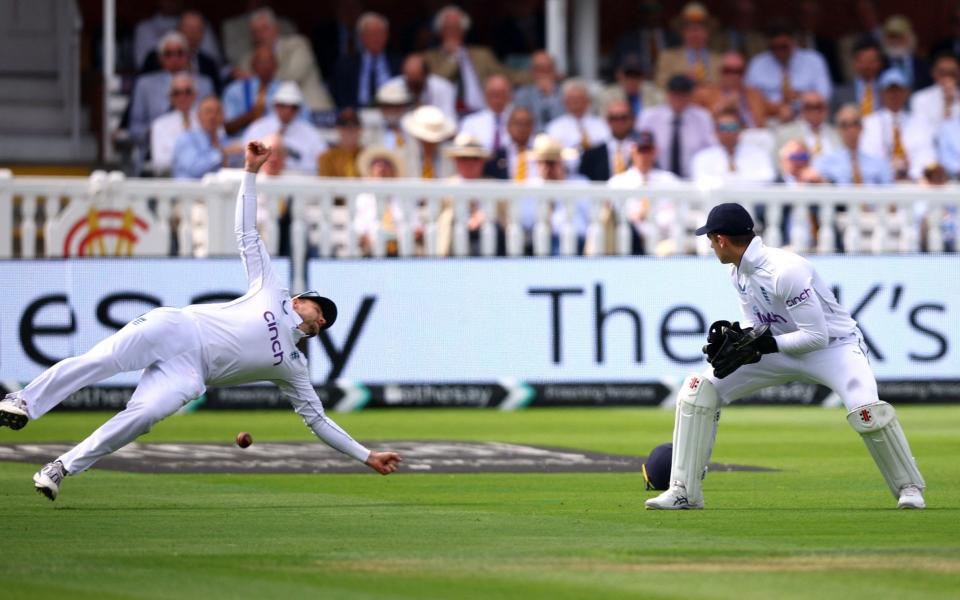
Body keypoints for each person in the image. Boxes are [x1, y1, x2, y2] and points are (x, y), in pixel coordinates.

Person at [0, 141, 403, 501]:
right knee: (99, 361)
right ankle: (24, 402)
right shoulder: (272, 289)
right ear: (301, 300)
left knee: (140, 418)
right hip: (176, 328)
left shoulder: (294, 367)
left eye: (326, 324)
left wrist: (366, 455)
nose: (322, 321)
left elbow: (318, 421)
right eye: (321, 310)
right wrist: (250, 172)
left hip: (191, 373)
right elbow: (247, 233)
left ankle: (60, 468)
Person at [644, 202, 926, 511]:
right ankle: (684, 491)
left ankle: (909, 488)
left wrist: (764, 346)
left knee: (866, 411)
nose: (711, 246)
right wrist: (743, 340)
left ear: (721, 239)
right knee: (698, 391)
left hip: (834, 349)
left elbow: (816, 335)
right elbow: (757, 324)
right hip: (779, 347)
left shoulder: (785, 271)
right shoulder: (737, 272)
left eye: (710, 240)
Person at [128, 32, 215, 156]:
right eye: (168, 54)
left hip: (198, 149)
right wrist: (157, 132)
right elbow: (135, 129)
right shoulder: (145, 84)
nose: (174, 58)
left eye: (179, 53)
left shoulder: (205, 84)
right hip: (154, 150)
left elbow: (214, 119)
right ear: (160, 58)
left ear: (188, 55)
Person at [421, 5, 510, 116]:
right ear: (440, 31)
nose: (452, 32)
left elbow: (505, 76)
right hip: (446, 114)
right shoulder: (430, 57)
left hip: (481, 112)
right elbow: (435, 83)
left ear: (464, 31)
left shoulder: (482, 54)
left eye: (457, 28)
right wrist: (453, 58)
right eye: (448, 28)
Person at [240, 8, 334, 113]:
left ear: (276, 29)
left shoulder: (298, 45)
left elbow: (290, 78)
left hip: (313, 111)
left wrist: (256, 77)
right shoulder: (248, 59)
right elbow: (245, 88)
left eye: (264, 29)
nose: (260, 36)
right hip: (271, 118)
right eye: (255, 32)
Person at [607, 130, 681, 255]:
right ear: (632, 151)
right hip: (630, 242)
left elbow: (674, 215)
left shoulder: (669, 180)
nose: (644, 155)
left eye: (648, 150)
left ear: (655, 151)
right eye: (640, 150)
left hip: (662, 241)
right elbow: (617, 215)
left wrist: (646, 214)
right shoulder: (617, 182)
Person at [745, 23, 832, 122]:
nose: (780, 51)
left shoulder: (813, 60)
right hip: (770, 121)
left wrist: (800, 97)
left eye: (784, 47)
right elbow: (749, 99)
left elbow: (824, 95)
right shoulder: (757, 64)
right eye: (775, 47)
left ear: (793, 42)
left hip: (807, 119)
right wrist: (777, 108)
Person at [636, 74, 717, 179]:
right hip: (658, 180)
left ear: (690, 95)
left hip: (693, 181)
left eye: (683, 94)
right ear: (667, 94)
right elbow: (639, 149)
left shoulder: (702, 118)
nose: (679, 99)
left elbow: (712, 150)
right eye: (675, 94)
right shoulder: (650, 117)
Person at [860, 69, 935, 181]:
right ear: (881, 93)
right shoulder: (869, 123)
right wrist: (888, 172)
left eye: (898, 90)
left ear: (907, 92)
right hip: (881, 184)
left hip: (914, 183)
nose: (894, 95)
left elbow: (927, 155)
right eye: (890, 91)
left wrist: (912, 174)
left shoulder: (920, 123)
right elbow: (867, 157)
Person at [243, 82, 328, 175]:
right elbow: (246, 157)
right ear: (275, 105)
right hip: (262, 181)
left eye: (293, 107)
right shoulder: (258, 128)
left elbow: (323, 160)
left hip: (299, 183)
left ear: (299, 109)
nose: (288, 110)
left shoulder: (310, 133)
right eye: (283, 105)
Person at [140, 10, 223, 94]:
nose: (193, 33)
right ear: (178, 29)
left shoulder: (209, 64)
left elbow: (215, 96)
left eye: (198, 29)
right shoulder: (154, 58)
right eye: (189, 28)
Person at [691, 107, 775, 186]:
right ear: (715, 131)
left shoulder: (759, 154)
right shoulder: (703, 157)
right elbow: (703, 182)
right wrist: (739, 181)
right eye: (723, 128)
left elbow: (766, 179)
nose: (728, 132)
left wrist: (726, 182)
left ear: (740, 130)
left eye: (732, 127)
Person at [334, 12, 402, 108]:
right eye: (370, 34)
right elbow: (340, 97)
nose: (375, 38)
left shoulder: (399, 63)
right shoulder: (345, 65)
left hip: (390, 113)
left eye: (379, 33)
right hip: (357, 116)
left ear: (387, 36)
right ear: (361, 37)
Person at [812, 104, 893, 185]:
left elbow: (890, 191)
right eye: (844, 125)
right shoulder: (825, 162)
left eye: (855, 124)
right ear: (838, 129)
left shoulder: (878, 162)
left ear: (861, 127)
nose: (850, 129)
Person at [654, 3, 722, 90]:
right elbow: (659, 84)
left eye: (699, 28)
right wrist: (683, 80)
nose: (695, 33)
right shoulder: (668, 57)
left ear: (708, 32)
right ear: (682, 32)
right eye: (690, 29)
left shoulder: (720, 60)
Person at [172, 97, 243, 180]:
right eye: (208, 112)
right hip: (187, 191)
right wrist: (222, 154)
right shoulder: (186, 139)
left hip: (219, 191)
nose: (213, 116)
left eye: (217, 112)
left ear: (223, 116)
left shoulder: (226, 142)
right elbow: (195, 169)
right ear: (198, 116)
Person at [693, 51, 766, 128]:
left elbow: (770, 112)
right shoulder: (704, 93)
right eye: (727, 71)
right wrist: (722, 106)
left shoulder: (755, 94)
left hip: (753, 135)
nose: (733, 76)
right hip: (720, 137)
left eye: (738, 71)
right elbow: (697, 123)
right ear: (720, 71)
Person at [222, 46, 282, 137]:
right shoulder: (235, 90)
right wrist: (248, 117)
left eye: (269, 62)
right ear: (252, 65)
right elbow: (225, 128)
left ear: (276, 65)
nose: (266, 66)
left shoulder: (286, 90)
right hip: (242, 144)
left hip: (279, 142)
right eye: (261, 62)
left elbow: (303, 121)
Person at [150, 72, 199, 175]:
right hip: (173, 182)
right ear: (170, 97)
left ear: (195, 95)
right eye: (177, 93)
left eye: (187, 92)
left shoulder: (206, 119)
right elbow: (159, 162)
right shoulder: (159, 125)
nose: (182, 97)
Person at [595, 54, 663, 128]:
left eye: (636, 76)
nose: (631, 80)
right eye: (628, 76)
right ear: (619, 75)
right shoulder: (607, 95)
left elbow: (660, 121)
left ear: (643, 77)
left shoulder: (654, 94)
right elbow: (604, 123)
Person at [545, 80, 611, 154]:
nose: (575, 102)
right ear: (564, 101)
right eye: (572, 98)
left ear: (588, 101)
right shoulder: (555, 127)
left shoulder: (601, 124)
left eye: (579, 98)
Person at [578, 99, 637, 182]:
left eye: (624, 118)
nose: (619, 122)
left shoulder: (643, 151)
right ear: (607, 121)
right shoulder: (592, 154)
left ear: (632, 120)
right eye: (614, 118)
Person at [774, 91, 840, 160]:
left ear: (826, 109)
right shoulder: (785, 134)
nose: (814, 111)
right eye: (809, 107)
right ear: (801, 110)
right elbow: (778, 161)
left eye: (818, 107)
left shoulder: (837, 134)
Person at [391, 54, 457, 123]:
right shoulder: (392, 88)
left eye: (415, 82)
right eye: (409, 81)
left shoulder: (444, 88)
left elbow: (449, 120)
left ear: (426, 75)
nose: (412, 86)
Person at [513, 50, 565, 133]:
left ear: (554, 71)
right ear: (532, 72)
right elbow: (524, 124)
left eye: (548, 69)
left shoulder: (565, 94)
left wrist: (550, 96)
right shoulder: (522, 94)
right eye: (540, 69)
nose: (544, 74)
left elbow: (564, 122)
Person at [458, 74, 512, 152]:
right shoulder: (470, 122)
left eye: (502, 94)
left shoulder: (518, 121)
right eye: (494, 94)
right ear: (485, 95)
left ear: (510, 95)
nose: (498, 99)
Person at [830, 38, 884, 117]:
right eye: (864, 61)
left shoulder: (889, 91)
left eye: (872, 61)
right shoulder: (840, 94)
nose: (868, 66)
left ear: (879, 63)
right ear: (855, 62)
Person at [484, 106, 536, 181]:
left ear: (532, 127)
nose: (522, 128)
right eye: (518, 123)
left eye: (526, 124)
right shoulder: (498, 156)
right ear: (508, 127)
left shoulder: (541, 154)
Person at [910, 55, 960, 132]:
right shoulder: (920, 98)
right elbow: (921, 131)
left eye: (952, 73)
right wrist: (947, 104)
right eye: (943, 73)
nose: (947, 77)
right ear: (933, 73)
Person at [880, 15, 931, 92]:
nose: (895, 41)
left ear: (910, 38)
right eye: (891, 37)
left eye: (899, 36)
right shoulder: (878, 65)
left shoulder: (924, 65)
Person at [318, 109, 364, 177]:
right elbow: (325, 184)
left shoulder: (368, 156)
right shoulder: (327, 158)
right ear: (338, 129)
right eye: (345, 127)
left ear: (360, 130)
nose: (349, 132)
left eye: (354, 127)